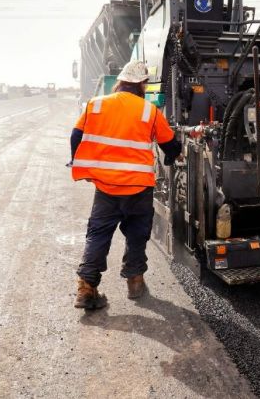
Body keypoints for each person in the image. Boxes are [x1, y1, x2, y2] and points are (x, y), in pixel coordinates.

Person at [69, 60, 182, 309]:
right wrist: (175, 155)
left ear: (120, 82)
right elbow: (170, 143)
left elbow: (76, 135)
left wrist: (78, 162)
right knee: (137, 235)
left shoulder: (96, 104)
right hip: (138, 188)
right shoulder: (148, 111)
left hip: (107, 187)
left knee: (98, 234)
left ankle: (86, 290)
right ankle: (135, 283)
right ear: (142, 84)